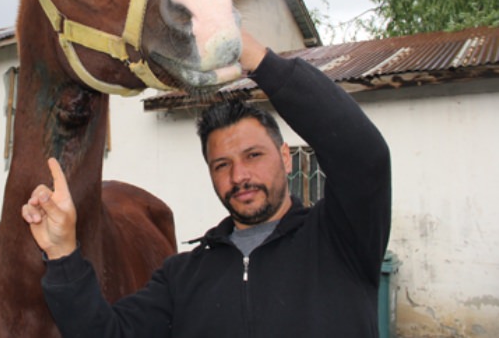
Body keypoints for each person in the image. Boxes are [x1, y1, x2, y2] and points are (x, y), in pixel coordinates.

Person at [22, 31, 391, 337]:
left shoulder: (340, 240)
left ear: (285, 156)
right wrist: (62, 254)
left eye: (253, 156)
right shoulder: (182, 277)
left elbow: (364, 157)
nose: (239, 176)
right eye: (222, 164)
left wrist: (254, 57)